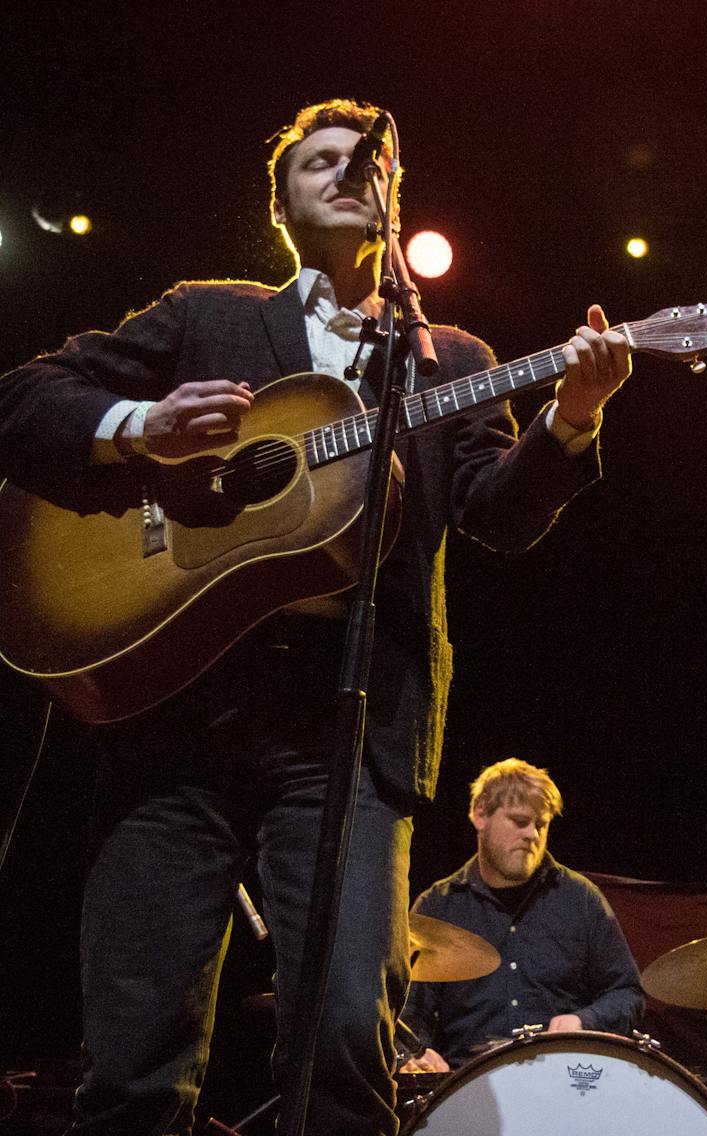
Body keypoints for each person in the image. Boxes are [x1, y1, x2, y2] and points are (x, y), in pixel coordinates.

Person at [0, 99, 631, 1136]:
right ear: (282, 208)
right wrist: (140, 428)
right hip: (173, 720)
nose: (349, 170)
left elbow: (496, 515)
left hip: (346, 728)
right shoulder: (206, 315)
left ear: (394, 200)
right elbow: (23, 400)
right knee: (136, 1054)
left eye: (367, 160)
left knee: (345, 1042)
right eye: (321, 161)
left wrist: (570, 421)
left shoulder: (452, 359)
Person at [398, 758, 643, 1072]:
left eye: (541, 824)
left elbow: (628, 993)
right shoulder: (437, 906)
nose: (533, 835)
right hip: (467, 1087)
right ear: (480, 814)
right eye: (519, 821)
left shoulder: (580, 898)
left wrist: (583, 1021)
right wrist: (415, 1055)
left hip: (562, 1079)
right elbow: (407, 1015)